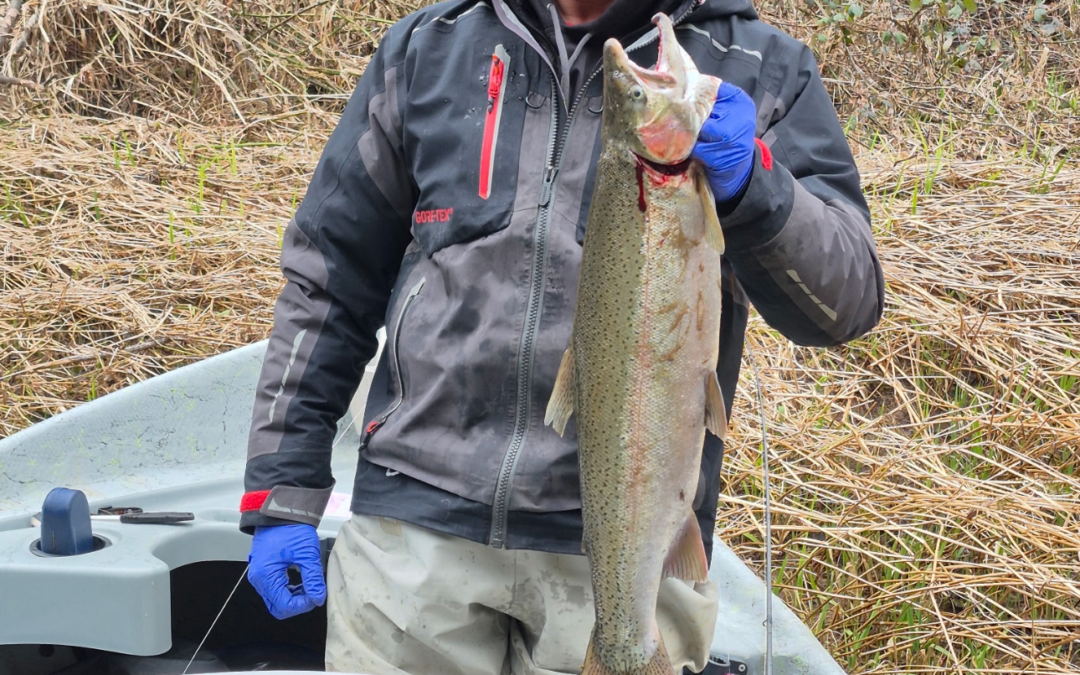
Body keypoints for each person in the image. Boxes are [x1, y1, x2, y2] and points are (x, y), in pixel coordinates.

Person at [238, 0, 885, 671]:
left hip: (634, 547)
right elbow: (328, 278)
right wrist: (282, 487)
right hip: (411, 537)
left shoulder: (763, 66)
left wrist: (757, 185)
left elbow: (846, 304)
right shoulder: (428, 46)